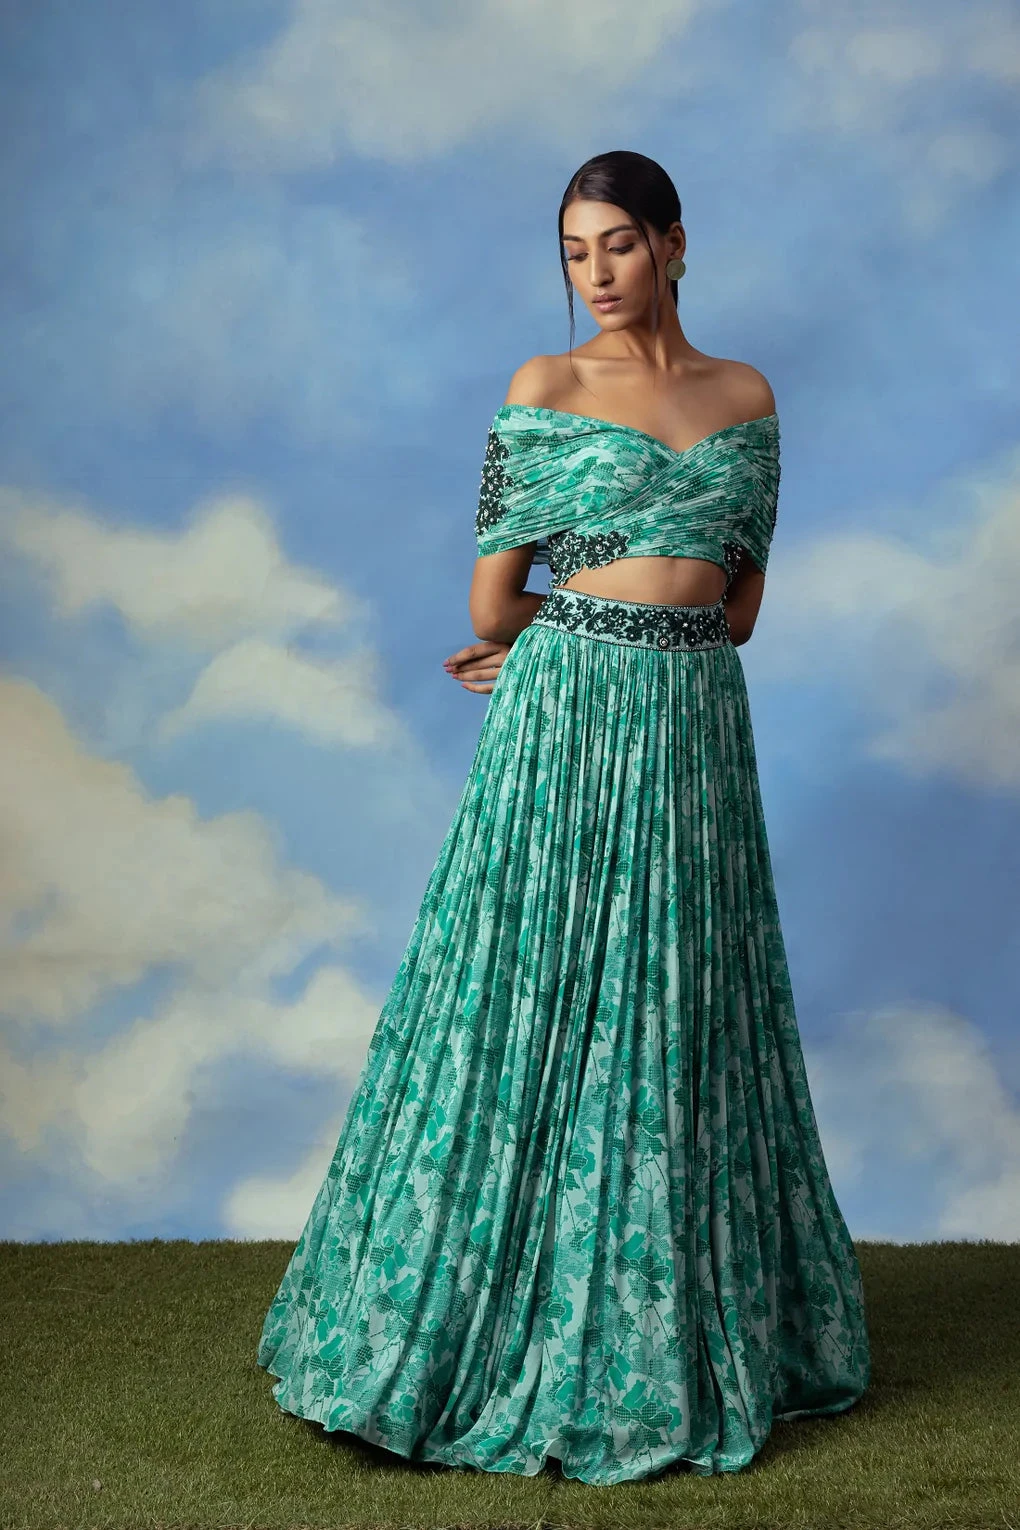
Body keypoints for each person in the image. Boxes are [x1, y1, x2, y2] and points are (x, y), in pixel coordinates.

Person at [256, 149, 871, 1485]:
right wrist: (568, 635)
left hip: (693, 727)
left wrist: (601, 630)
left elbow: (737, 611)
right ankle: (465, 1325)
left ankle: (664, 1319)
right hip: (568, 726)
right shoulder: (543, 388)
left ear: (675, 245)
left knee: (678, 996)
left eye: (619, 245)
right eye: (575, 252)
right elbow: (491, 606)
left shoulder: (748, 398)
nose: (596, 274)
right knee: (523, 991)